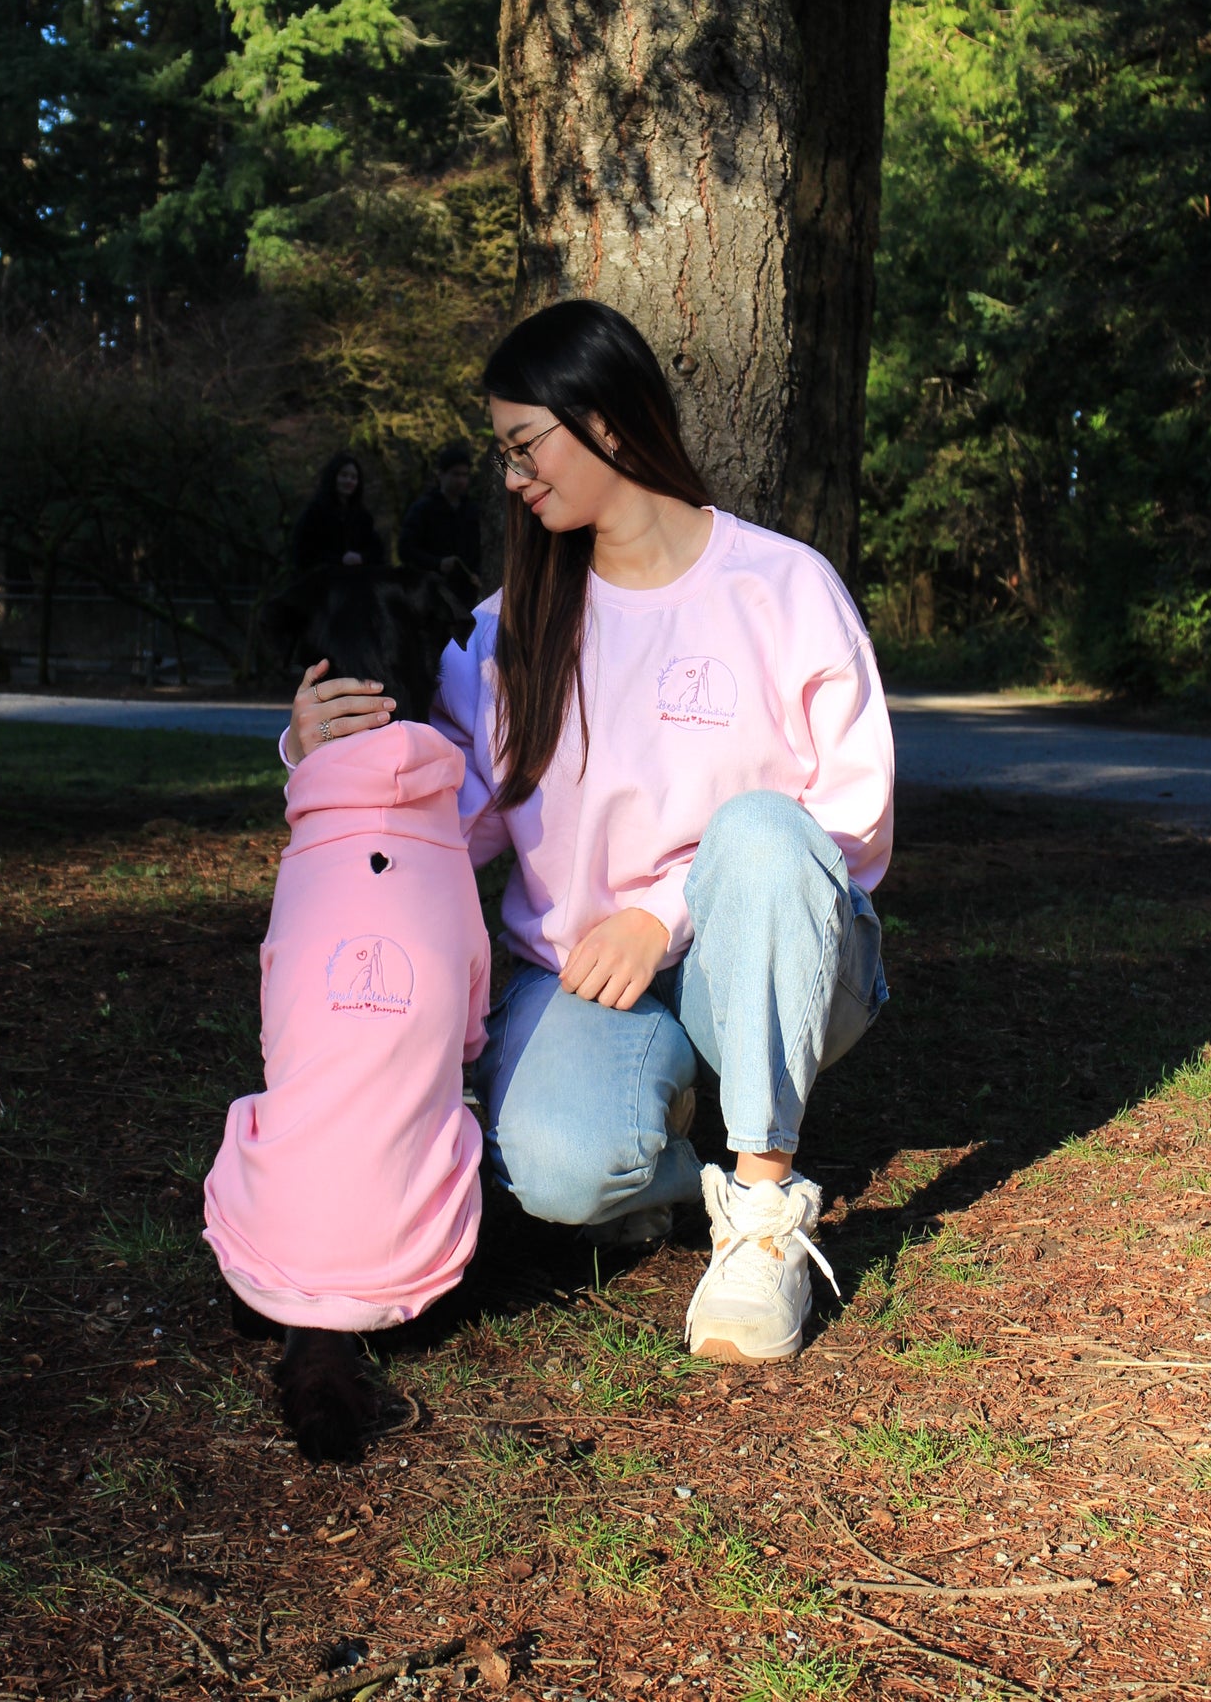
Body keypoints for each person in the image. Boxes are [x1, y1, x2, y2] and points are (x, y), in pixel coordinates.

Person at [283, 301, 893, 1367]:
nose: (512, 476)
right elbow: (450, 824)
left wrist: (660, 916)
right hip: (579, 982)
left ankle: (759, 1208)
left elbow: (850, 823)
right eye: (503, 452)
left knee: (756, 828)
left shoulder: (782, 587)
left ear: (606, 421)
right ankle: (666, 1154)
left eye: (525, 445)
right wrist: (316, 760)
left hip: (776, 957)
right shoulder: (506, 623)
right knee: (560, 1170)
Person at [398, 441, 482, 590]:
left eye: (465, 475)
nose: (461, 480)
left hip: (465, 590)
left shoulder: (471, 510)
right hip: (431, 589)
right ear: (441, 474)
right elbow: (405, 549)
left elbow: (477, 550)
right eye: (456, 474)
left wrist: (476, 573)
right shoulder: (423, 509)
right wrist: (437, 563)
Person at [289, 452, 385, 573]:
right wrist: (339, 560)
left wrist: (361, 558)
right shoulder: (314, 513)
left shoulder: (363, 517)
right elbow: (304, 553)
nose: (349, 481)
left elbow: (377, 550)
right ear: (333, 477)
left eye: (354, 477)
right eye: (344, 475)